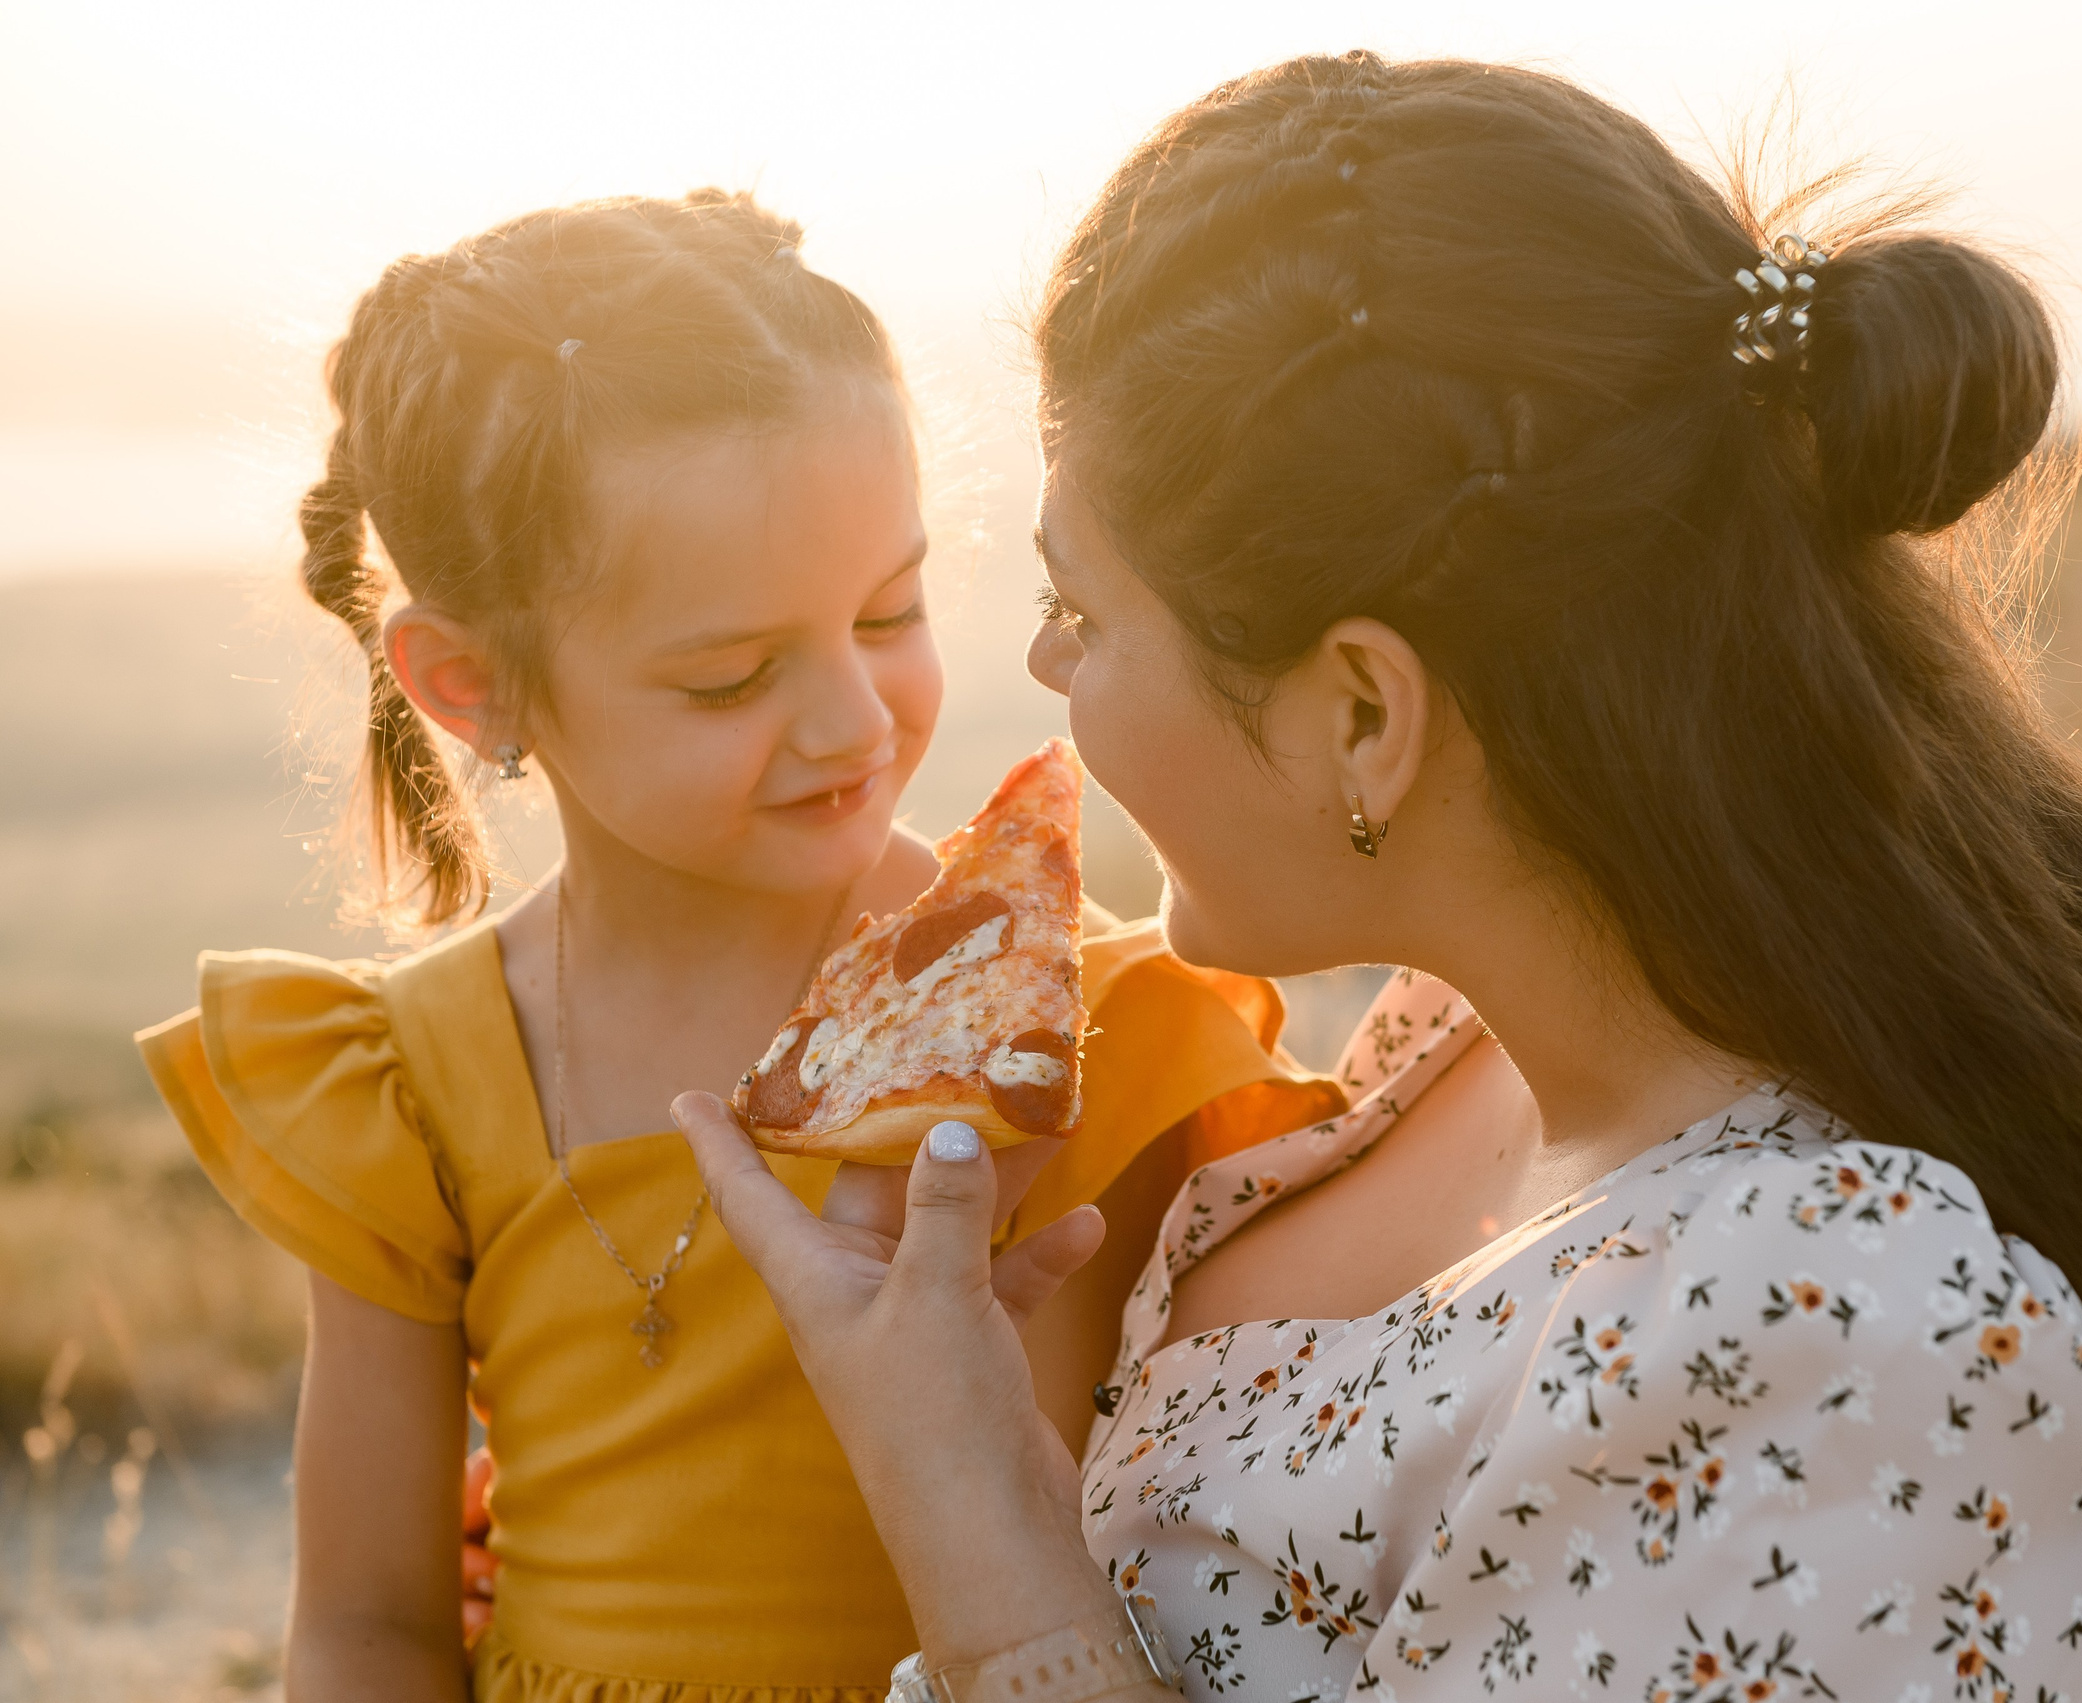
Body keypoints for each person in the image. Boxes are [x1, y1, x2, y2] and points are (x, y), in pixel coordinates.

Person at [677, 53, 2082, 1703]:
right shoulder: (1481, 1037)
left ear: (1365, 711)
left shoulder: (1848, 1335)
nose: (1050, 680)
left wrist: (958, 1491)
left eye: (1084, 612)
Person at [135, 189, 1340, 1702]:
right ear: (470, 684)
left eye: (891, 611)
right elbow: (368, 1622)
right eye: (730, 677)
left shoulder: (1073, 1034)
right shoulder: (408, 1077)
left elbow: (1092, 1561)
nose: (852, 721)